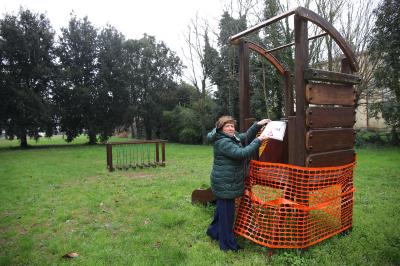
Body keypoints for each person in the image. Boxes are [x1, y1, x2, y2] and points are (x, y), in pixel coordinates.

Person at [206, 115, 270, 251]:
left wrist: (258, 125)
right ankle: (227, 245)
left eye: (232, 126)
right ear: (220, 128)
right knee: (227, 216)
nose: (231, 128)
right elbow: (242, 153)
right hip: (225, 184)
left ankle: (213, 232)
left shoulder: (231, 137)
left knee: (221, 211)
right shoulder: (224, 142)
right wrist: (258, 140)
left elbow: (245, 136)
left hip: (225, 182)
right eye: (227, 126)